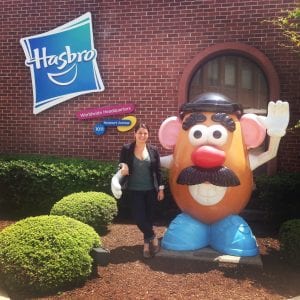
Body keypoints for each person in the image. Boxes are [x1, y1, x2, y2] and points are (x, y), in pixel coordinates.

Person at [118, 123, 164, 258]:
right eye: (140, 133)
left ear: (148, 134)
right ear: (135, 133)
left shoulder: (153, 150)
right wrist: (122, 167)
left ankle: (145, 247)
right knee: (139, 218)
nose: (142, 135)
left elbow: (158, 171)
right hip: (134, 189)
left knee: (148, 218)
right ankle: (154, 238)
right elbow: (121, 163)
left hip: (150, 189)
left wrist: (161, 189)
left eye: (145, 133)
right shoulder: (127, 149)